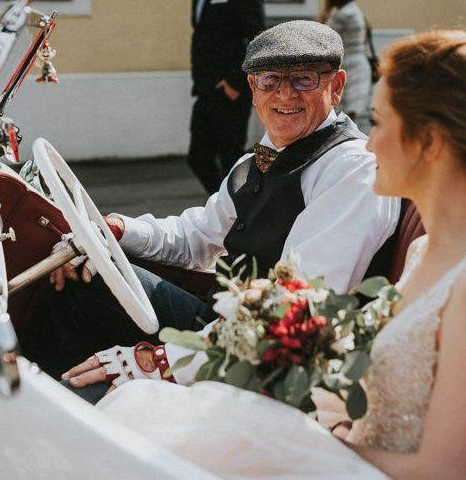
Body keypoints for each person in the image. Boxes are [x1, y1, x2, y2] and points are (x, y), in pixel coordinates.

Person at [81, 30, 466, 479]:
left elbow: (444, 472)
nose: (369, 142)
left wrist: (305, 446)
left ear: (429, 142)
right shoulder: (429, 252)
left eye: (381, 123)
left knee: (137, 425)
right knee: (139, 422)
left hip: (362, 464)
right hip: (341, 433)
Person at [23, 20, 400, 389]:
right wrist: (114, 230)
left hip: (264, 360)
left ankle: (59, 400)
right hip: (219, 319)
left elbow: (299, 303)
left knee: (73, 292)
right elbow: (194, 237)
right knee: (79, 274)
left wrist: (161, 362)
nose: (285, 95)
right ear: (253, 88)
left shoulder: (352, 169)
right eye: (270, 80)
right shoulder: (252, 163)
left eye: (304, 79)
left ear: (336, 87)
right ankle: (48, 390)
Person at [186, 0, 266, 193]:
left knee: (232, 158)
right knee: (198, 157)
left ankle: (243, 214)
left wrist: (235, 81)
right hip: (206, 88)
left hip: (229, 90)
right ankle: (230, 210)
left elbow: (258, 37)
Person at [319, 0, 372, 125]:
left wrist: (326, 9)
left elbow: (319, 35)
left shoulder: (342, 15)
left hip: (349, 67)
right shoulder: (354, 10)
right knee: (349, 117)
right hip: (358, 65)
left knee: (344, 118)